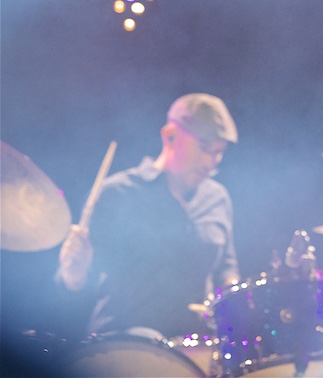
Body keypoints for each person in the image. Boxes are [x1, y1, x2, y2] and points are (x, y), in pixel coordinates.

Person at [57, 93, 241, 339]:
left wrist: (235, 292)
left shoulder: (218, 198)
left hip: (197, 346)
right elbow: (79, 285)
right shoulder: (117, 193)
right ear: (170, 135)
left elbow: (226, 268)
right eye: (205, 148)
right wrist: (73, 275)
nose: (211, 162)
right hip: (124, 345)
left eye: (219, 152)